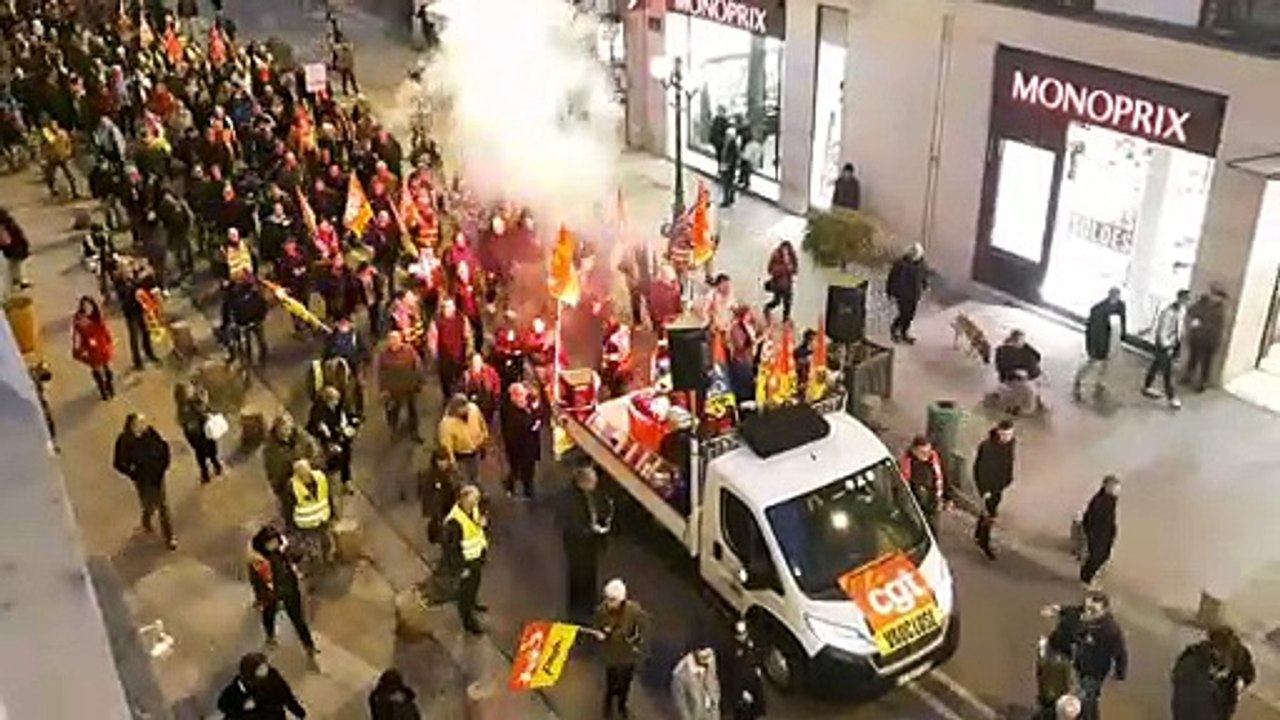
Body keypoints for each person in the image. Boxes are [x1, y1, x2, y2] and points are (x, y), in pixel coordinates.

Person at [1044, 591, 1127, 720]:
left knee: (1087, 699)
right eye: (1086, 608)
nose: (1087, 613)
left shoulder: (1110, 630)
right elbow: (1074, 611)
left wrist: (1120, 673)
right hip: (1078, 665)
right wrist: (1059, 609)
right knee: (1080, 698)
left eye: (1093, 610)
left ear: (1104, 610)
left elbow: (1121, 653)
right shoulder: (1084, 617)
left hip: (1093, 672)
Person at [246, 525, 318, 657]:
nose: (274, 544)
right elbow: (256, 581)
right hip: (271, 593)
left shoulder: (283, 549)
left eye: (275, 541)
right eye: (270, 542)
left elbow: (294, 557)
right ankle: (270, 636)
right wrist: (261, 597)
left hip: (289, 589)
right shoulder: (258, 562)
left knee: (298, 619)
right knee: (269, 615)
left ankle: (309, 646)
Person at [113, 413, 176, 549]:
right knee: (148, 503)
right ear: (130, 426)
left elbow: (164, 448)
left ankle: (169, 538)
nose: (141, 426)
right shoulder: (124, 441)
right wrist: (132, 473)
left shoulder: (151, 434)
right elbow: (117, 463)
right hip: (142, 480)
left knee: (163, 506)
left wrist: (163, 465)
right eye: (138, 424)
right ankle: (146, 519)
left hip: (157, 477)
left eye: (142, 423)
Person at [558, 467, 613, 619]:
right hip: (578, 546)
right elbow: (568, 522)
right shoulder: (570, 499)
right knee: (578, 577)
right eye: (593, 482)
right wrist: (589, 530)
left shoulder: (590, 495)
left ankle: (588, 605)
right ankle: (577, 610)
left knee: (589, 575)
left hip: (589, 545)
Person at [593, 578, 650, 719]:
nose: (609, 603)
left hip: (628, 655)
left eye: (612, 600)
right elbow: (596, 627)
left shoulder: (634, 610)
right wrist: (600, 634)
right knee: (611, 683)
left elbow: (643, 627)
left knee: (625, 684)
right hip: (611, 655)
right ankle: (608, 706)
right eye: (607, 599)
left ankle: (621, 706)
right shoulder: (601, 611)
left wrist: (636, 642)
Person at [442, 484, 488, 635]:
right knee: (466, 591)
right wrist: (461, 568)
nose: (476, 502)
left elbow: (476, 529)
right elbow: (451, 549)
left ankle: (472, 603)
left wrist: (483, 525)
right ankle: (468, 621)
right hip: (466, 563)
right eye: (474, 499)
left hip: (476, 559)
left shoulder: (473, 510)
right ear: (464, 499)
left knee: (474, 585)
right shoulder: (454, 522)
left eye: (477, 499)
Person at [263, 414, 322, 523]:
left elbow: (315, 452)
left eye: (287, 428)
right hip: (287, 483)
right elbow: (274, 474)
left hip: (308, 474)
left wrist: (308, 465)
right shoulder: (271, 450)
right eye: (282, 429)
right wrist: (291, 473)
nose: (285, 432)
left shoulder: (302, 437)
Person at [1073, 288, 1126, 402]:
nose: (1116, 299)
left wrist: (1122, 334)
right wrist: (1093, 346)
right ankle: (1079, 378)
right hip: (1099, 341)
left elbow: (1122, 320)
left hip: (1110, 339)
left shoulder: (1120, 306)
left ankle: (1100, 382)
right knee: (1092, 361)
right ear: (1110, 296)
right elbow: (1092, 329)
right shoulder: (1098, 309)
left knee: (1106, 363)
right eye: (1115, 296)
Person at [216, 652, 307, 719]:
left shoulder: (273, 676)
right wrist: (243, 708)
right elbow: (223, 705)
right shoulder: (239, 689)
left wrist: (298, 712)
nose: (266, 669)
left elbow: (285, 694)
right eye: (260, 669)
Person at [973, 420, 1015, 560]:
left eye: (1009, 435)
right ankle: (984, 542)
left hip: (999, 485)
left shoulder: (1010, 444)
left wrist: (1008, 479)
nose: (1007, 438)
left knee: (988, 511)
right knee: (990, 514)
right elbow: (981, 470)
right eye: (1004, 435)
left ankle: (978, 534)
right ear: (998, 432)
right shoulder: (988, 447)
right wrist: (984, 490)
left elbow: (1008, 463)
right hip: (989, 487)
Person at [1142, 289, 1190, 409]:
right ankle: (1171, 397)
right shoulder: (1168, 312)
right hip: (1165, 345)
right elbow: (1162, 331)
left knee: (1156, 364)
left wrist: (1180, 338)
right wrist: (1166, 346)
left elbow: (1179, 326)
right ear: (1180, 298)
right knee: (1168, 372)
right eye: (1185, 299)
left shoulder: (1181, 310)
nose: (1187, 302)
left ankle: (1147, 386)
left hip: (1172, 344)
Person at [308, 385, 358, 492]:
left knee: (346, 453)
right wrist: (328, 434)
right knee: (337, 456)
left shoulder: (338, 406)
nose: (337, 402)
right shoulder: (319, 411)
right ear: (328, 401)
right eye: (335, 400)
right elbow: (318, 428)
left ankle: (346, 480)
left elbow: (345, 416)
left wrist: (351, 423)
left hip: (338, 435)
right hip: (324, 439)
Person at [377, 330, 425, 442]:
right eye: (391, 340)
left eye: (396, 340)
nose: (393, 342)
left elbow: (417, 365)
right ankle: (393, 430)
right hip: (393, 391)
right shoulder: (384, 355)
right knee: (393, 412)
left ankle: (414, 432)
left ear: (400, 340)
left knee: (413, 411)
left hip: (410, 387)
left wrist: (420, 382)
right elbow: (381, 373)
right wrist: (383, 389)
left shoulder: (409, 350)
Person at [174, 380, 223, 484]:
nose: (191, 390)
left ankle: (215, 466)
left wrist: (204, 401)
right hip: (197, 435)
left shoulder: (194, 400)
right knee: (202, 453)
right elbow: (188, 422)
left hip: (205, 430)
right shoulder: (184, 408)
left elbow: (206, 408)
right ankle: (206, 473)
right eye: (188, 389)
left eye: (190, 388)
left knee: (211, 450)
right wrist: (202, 413)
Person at [1182, 285, 1228, 393]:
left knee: (1206, 363)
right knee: (1193, 359)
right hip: (1197, 337)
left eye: (1218, 296)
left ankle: (1202, 383)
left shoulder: (1219, 310)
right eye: (1214, 294)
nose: (1214, 297)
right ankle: (1188, 377)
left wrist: (1216, 343)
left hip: (1208, 341)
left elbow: (1217, 328)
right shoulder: (1202, 303)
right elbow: (1191, 311)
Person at [500, 382, 541, 499]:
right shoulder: (510, 411)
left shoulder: (529, 404)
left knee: (528, 469)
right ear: (513, 397)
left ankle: (527, 489)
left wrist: (536, 418)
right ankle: (511, 486)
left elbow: (538, 413)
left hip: (530, 445)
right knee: (517, 469)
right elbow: (519, 427)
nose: (524, 399)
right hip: (517, 448)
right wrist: (532, 422)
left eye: (524, 395)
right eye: (520, 396)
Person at [71, 295, 115, 400]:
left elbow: (105, 330)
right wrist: (78, 350)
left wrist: (109, 341)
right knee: (97, 369)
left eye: (89, 306)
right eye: (85, 306)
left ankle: (109, 385)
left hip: (102, 346)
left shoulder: (97, 316)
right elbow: (77, 336)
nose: (88, 309)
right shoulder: (79, 320)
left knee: (108, 370)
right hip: (91, 349)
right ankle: (102, 389)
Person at [437, 393, 488, 485]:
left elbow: (482, 423)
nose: (465, 412)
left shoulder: (474, 409)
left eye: (466, 408)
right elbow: (446, 446)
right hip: (461, 456)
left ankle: (476, 486)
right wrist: (452, 464)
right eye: (462, 410)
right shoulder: (446, 424)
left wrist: (484, 439)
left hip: (475, 450)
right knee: (463, 482)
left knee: (475, 476)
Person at [291, 459, 335, 562]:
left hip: (323, 517)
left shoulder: (321, 478)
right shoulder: (292, 486)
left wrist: (332, 512)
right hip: (307, 523)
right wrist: (292, 523)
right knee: (310, 541)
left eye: (306, 474)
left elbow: (328, 495)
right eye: (302, 475)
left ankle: (327, 555)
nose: (305, 477)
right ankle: (314, 557)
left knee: (325, 538)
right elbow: (289, 505)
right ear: (297, 475)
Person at [1079, 475, 1120, 587]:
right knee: (1097, 556)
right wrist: (1090, 531)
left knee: (1102, 556)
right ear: (1106, 486)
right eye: (1113, 486)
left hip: (1104, 533)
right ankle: (1086, 579)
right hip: (1098, 533)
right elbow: (1091, 517)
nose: (1115, 489)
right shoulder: (1101, 499)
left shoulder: (1110, 500)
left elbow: (1110, 519)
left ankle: (1088, 577)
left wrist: (1112, 531)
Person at [993, 330, 1043, 415]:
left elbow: (1038, 357)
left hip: (1014, 381)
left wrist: (1025, 345)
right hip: (1019, 383)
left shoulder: (1003, 350)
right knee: (1030, 402)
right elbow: (1037, 359)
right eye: (1023, 340)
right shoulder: (1008, 352)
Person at [900, 435, 944, 529]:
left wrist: (946, 497)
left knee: (934, 527)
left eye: (928, 451)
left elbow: (941, 475)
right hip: (918, 505)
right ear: (914, 451)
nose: (926, 455)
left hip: (933, 502)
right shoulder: (910, 464)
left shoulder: (933, 458)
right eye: (923, 452)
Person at [724, 621, 766, 720]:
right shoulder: (731, 649)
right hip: (741, 688)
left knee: (753, 711)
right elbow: (731, 675)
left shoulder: (750, 643)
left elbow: (757, 655)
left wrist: (758, 667)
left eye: (745, 633)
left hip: (753, 682)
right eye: (741, 634)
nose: (744, 636)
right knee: (743, 714)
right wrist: (741, 692)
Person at [886, 244, 928, 344]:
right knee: (904, 313)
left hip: (914, 294)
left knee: (910, 315)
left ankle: (904, 332)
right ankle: (894, 329)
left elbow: (923, 276)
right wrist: (889, 292)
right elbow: (892, 278)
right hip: (902, 294)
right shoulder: (900, 264)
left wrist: (925, 285)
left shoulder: (921, 264)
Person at [419, 446, 460, 544]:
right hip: (438, 506)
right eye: (439, 460)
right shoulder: (430, 475)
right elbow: (427, 493)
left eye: (444, 460)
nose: (442, 463)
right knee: (440, 525)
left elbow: (457, 484)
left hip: (450, 502)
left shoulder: (452, 472)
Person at [671, 646, 721, 720]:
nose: (709, 661)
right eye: (704, 656)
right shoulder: (681, 677)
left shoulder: (710, 661)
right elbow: (681, 707)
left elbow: (714, 685)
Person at [39, 116, 78, 198]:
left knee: (70, 175)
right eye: (52, 126)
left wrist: (69, 151)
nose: (54, 127)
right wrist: (44, 157)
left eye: (55, 125)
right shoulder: (48, 135)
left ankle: (74, 191)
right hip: (52, 158)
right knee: (50, 176)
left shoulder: (63, 133)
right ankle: (52, 190)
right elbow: (45, 147)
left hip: (62, 157)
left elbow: (68, 143)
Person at [763, 240, 798, 324]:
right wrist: (783, 268)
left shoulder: (792, 258)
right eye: (784, 250)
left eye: (787, 250)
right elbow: (770, 270)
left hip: (788, 285)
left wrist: (791, 269)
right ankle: (767, 308)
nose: (785, 252)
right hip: (778, 284)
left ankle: (785, 322)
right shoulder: (776, 256)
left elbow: (795, 270)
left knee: (788, 305)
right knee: (776, 302)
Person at [719, 127, 741, 208]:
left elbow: (734, 156)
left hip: (728, 167)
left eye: (728, 135)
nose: (726, 136)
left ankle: (726, 200)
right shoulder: (728, 143)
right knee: (729, 183)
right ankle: (730, 198)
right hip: (727, 165)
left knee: (726, 184)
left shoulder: (733, 144)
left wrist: (728, 164)